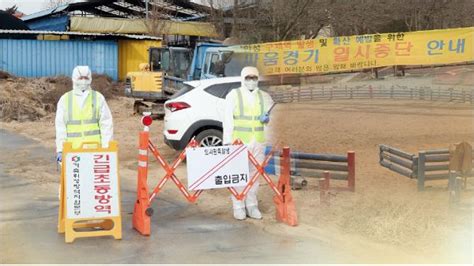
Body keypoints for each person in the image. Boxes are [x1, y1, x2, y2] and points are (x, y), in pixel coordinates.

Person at [223, 66, 274, 220]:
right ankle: (238, 206)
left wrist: (268, 121)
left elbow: (270, 118)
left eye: (254, 77)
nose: (251, 81)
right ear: (242, 78)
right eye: (248, 77)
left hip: (258, 141)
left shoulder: (264, 96)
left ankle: (252, 206)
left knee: (254, 175)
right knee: (238, 175)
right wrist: (227, 142)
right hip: (239, 141)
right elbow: (227, 120)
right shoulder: (234, 95)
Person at [55, 66, 113, 162]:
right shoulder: (65, 99)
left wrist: (106, 148)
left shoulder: (98, 98)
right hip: (72, 152)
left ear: (90, 79)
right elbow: (61, 126)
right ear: (74, 78)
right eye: (80, 78)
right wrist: (60, 149)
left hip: (95, 151)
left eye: (86, 78)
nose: (83, 81)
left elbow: (106, 124)